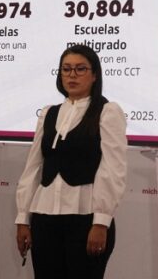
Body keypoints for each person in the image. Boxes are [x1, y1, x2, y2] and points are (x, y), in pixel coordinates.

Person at [15, 44, 127, 279]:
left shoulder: (107, 111)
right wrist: (23, 218)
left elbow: (112, 168)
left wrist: (101, 222)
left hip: (86, 219)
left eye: (80, 69)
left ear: (94, 75)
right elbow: (33, 167)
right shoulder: (48, 113)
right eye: (66, 69)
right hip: (44, 217)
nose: (72, 75)